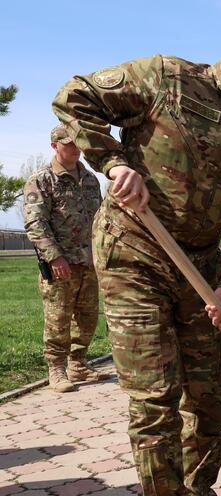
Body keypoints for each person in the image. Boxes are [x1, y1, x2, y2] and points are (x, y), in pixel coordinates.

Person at [52, 22, 221, 495]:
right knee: (156, 399)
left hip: (202, 270)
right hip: (135, 252)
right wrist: (114, 162)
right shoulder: (167, 78)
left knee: (211, 400)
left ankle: (196, 488)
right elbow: (75, 98)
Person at [22, 123, 104, 393]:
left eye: (77, 142)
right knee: (58, 317)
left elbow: (101, 218)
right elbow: (36, 223)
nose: (74, 148)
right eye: (68, 143)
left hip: (90, 261)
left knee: (88, 316)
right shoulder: (41, 180)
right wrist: (54, 257)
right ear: (54, 146)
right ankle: (56, 368)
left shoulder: (90, 179)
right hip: (61, 263)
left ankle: (78, 364)